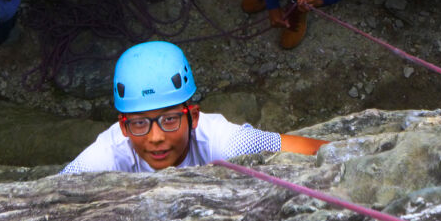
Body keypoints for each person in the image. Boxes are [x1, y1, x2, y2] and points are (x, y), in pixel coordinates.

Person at [60, 41, 327, 173]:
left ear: (194, 116)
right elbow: (54, 191)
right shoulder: (105, 157)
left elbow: (310, 149)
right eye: (139, 123)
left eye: (170, 119)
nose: (156, 137)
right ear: (123, 127)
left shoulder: (224, 142)